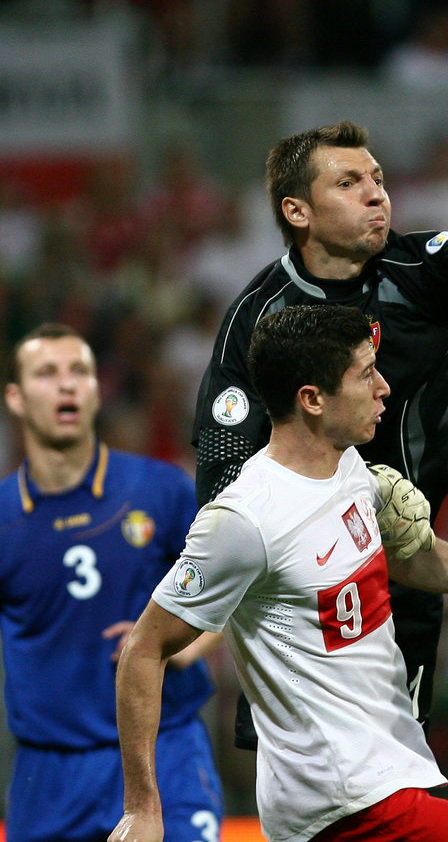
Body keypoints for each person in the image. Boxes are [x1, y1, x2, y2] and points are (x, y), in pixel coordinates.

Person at [191, 90, 448, 744]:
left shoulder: (420, 276)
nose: (377, 194)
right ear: (296, 210)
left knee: (394, 777)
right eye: (349, 182)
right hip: (300, 586)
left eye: (379, 180)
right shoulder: (257, 317)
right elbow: (220, 459)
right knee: (301, 777)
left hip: (405, 572)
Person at [109, 304, 448, 842]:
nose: (383, 388)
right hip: (344, 802)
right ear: (312, 400)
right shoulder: (245, 519)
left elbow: (412, 559)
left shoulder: (348, 467)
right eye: (365, 374)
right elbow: (144, 649)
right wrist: (142, 809)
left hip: (382, 779)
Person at [0, 323, 222, 842]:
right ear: (15, 396)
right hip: (49, 775)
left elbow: (237, 592)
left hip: (165, 751)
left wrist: (183, 648)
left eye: (79, 371)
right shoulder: (3, 517)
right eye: (47, 373)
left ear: (97, 390)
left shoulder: (160, 490)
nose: (66, 385)